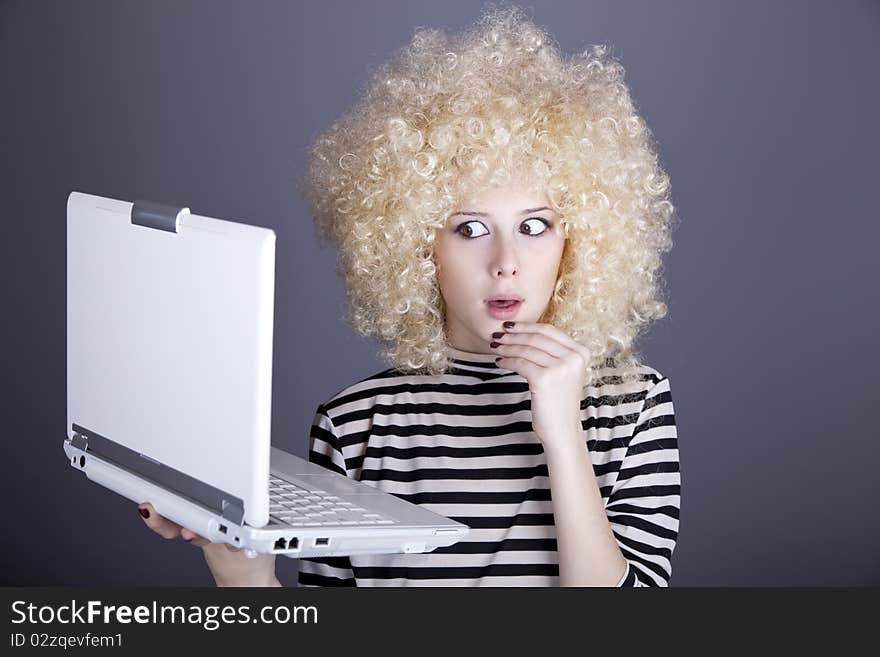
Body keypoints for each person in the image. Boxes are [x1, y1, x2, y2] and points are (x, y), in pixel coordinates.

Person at [140, 4, 681, 587]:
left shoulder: (632, 407)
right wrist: (238, 567)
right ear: (418, 244)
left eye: (533, 226)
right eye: (470, 229)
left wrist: (564, 432)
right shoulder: (354, 426)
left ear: (574, 241)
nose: (506, 264)